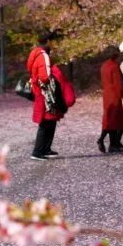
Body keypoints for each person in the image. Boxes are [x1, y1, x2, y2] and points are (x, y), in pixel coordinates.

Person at [28, 32, 76, 161]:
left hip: (41, 93)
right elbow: (45, 76)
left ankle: (46, 149)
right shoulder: (43, 55)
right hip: (46, 94)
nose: (54, 44)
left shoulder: (35, 54)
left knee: (50, 121)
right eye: (53, 41)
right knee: (45, 122)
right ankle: (37, 151)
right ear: (48, 41)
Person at [98, 45, 123, 153]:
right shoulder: (114, 66)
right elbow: (118, 84)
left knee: (110, 118)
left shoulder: (104, 66)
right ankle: (110, 143)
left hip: (107, 94)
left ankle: (113, 143)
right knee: (115, 119)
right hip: (114, 95)